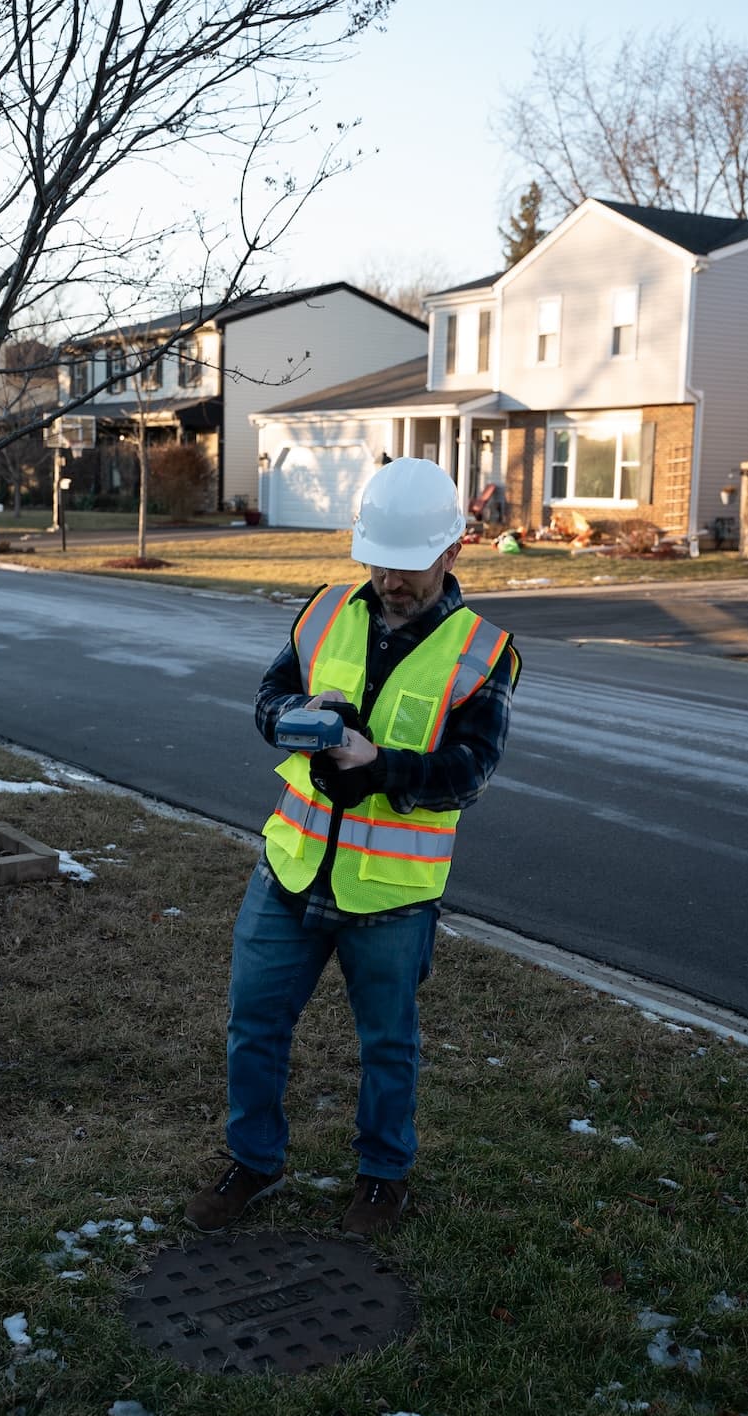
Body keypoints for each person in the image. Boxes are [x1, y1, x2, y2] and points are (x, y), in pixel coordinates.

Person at [185, 457, 521, 1240]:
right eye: (376, 560)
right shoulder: (327, 610)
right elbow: (267, 702)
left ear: (453, 549)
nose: (388, 580)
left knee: (389, 1045)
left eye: (405, 567)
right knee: (255, 1023)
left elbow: (470, 773)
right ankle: (254, 1160)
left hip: (392, 894)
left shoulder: (483, 651)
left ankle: (381, 1178)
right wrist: (302, 712)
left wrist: (381, 765)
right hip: (291, 869)